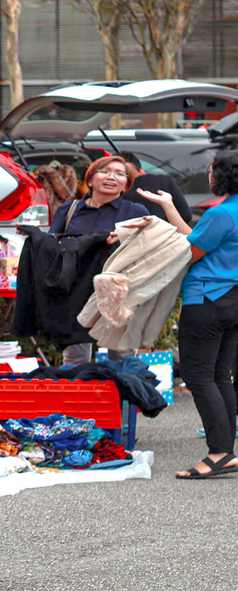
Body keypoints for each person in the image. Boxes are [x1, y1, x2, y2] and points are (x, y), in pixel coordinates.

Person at [117, 152, 238, 478]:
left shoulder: (221, 213)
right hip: (233, 300)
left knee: (200, 377)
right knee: (220, 375)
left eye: (212, 170)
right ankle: (225, 450)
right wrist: (169, 206)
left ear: (223, 176)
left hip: (208, 300)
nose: (209, 175)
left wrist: (145, 237)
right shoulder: (228, 213)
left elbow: (188, 253)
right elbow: (198, 241)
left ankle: (220, 452)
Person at [50, 154, 150, 364]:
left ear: (126, 184)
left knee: (121, 356)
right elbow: (51, 245)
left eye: (119, 174)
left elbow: (147, 251)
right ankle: (76, 386)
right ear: (90, 180)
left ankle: (122, 387)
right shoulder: (69, 210)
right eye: (104, 171)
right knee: (75, 356)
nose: (111, 177)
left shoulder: (136, 212)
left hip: (119, 291)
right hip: (74, 290)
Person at [119, 152, 193, 226]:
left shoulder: (118, 189)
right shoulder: (163, 180)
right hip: (163, 231)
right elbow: (186, 215)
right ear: (142, 170)